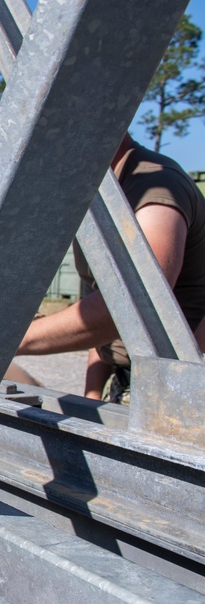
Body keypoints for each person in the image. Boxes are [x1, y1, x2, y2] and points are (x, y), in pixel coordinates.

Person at [14, 133, 205, 403]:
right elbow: (99, 314)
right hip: (131, 382)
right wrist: (92, 395)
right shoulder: (101, 196)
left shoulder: (156, 188)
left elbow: (135, 307)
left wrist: (10, 341)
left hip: (178, 394)